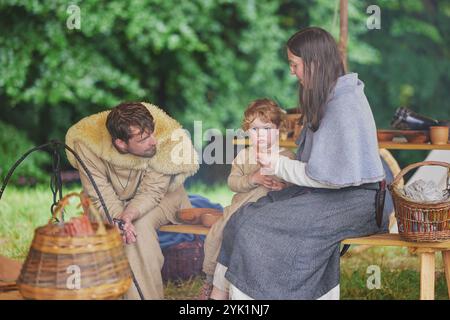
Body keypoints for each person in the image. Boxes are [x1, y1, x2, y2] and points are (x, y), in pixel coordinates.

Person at [214, 27, 389, 300]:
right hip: (333, 195)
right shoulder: (330, 96)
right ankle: (220, 295)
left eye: (294, 64)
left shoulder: (344, 104)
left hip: (356, 203)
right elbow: (322, 171)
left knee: (254, 227)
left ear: (314, 63)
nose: (292, 71)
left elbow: (325, 175)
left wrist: (275, 163)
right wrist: (279, 172)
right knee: (243, 216)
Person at [65, 102, 199, 299]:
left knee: (139, 226)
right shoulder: (86, 144)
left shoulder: (168, 138)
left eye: (152, 133)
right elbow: (99, 193)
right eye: (144, 139)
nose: (153, 141)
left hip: (163, 195)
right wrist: (118, 220)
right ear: (120, 143)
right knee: (107, 233)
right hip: (108, 200)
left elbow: (152, 192)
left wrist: (127, 216)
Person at [198, 99, 296, 299]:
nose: (260, 135)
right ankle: (211, 281)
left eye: (266, 129)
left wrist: (282, 187)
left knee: (243, 239)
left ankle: (236, 288)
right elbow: (233, 182)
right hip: (238, 209)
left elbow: (296, 187)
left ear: (279, 129)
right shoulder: (244, 155)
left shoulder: (286, 157)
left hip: (268, 215)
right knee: (218, 235)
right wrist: (253, 178)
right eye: (254, 129)